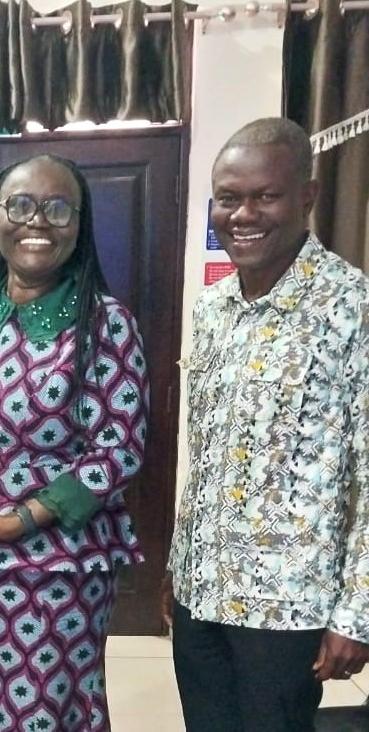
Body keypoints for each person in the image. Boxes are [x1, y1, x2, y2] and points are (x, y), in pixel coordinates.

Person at [0, 154, 149, 732]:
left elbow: (118, 451)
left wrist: (17, 521)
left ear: (79, 223)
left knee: (42, 710)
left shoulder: (105, 324)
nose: (38, 222)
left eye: (57, 208)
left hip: (61, 563)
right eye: (20, 205)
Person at [162, 117, 369, 732]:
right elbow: (204, 454)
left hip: (289, 606)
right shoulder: (214, 308)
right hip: (201, 594)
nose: (243, 214)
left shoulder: (351, 307)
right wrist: (178, 564)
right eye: (228, 198)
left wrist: (356, 613)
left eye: (265, 196)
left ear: (307, 196)